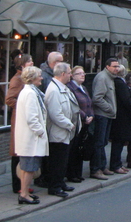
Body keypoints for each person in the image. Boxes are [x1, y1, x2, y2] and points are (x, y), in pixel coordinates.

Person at [44, 62, 80, 198]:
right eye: (70, 73)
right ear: (63, 74)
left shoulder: (63, 87)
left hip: (65, 133)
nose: (71, 75)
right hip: (58, 133)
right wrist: (69, 124)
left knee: (63, 160)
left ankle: (61, 182)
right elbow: (55, 114)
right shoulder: (53, 90)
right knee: (57, 161)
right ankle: (55, 186)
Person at [14, 66, 48, 205]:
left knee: (27, 167)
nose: (41, 78)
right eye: (39, 75)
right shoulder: (30, 93)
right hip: (31, 138)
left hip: (29, 137)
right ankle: (24, 194)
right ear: (33, 78)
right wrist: (40, 132)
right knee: (29, 168)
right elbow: (32, 118)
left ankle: (25, 192)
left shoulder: (30, 92)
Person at [5, 54, 33, 194]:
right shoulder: (17, 79)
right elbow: (9, 99)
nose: (32, 62)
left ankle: (23, 183)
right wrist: (24, 106)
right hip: (19, 120)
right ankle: (17, 185)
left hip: (26, 119)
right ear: (22, 65)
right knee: (17, 153)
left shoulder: (27, 79)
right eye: (29, 61)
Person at [89, 58, 118, 180]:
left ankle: (102, 166)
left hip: (108, 115)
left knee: (104, 142)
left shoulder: (110, 77)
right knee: (99, 142)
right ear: (107, 66)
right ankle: (96, 169)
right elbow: (97, 98)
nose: (117, 69)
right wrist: (110, 109)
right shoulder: (102, 78)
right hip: (102, 115)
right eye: (114, 66)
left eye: (117, 66)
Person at [108, 63, 131, 173]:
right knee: (118, 141)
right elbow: (126, 100)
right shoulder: (119, 83)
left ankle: (118, 164)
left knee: (121, 142)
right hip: (122, 117)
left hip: (124, 116)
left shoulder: (122, 82)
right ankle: (115, 164)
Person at [66, 66, 94, 182]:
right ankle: (72, 174)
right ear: (72, 75)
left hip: (85, 123)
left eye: (83, 73)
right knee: (74, 149)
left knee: (80, 148)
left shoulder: (83, 87)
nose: (83, 75)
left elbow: (89, 103)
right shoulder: (70, 88)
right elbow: (74, 105)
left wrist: (91, 115)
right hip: (77, 122)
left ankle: (78, 172)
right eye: (79, 73)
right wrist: (84, 116)